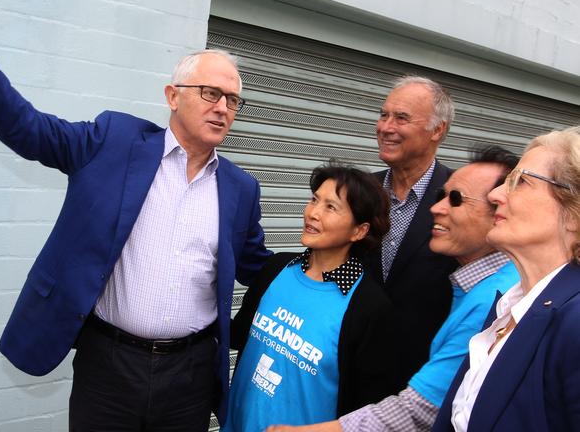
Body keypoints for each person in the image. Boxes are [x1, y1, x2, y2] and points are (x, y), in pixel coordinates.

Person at [0, 0, 271, 431]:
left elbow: (260, 266)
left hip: (190, 376)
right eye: (211, 93)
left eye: (233, 100)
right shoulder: (112, 141)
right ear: (173, 96)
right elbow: (28, 129)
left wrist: (336, 267)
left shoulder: (240, 188)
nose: (223, 108)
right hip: (108, 366)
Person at [264, 146, 521, 432]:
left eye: (456, 199)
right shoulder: (282, 269)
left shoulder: (496, 302)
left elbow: (422, 409)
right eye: (440, 196)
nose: (435, 208)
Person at [223, 162, 399, 431]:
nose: (313, 213)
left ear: (359, 230)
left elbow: (367, 408)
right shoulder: (276, 269)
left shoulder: (369, 307)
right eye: (314, 200)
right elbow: (236, 335)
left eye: (331, 207)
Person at [432, 127, 580, 431]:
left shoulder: (575, 322)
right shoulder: (509, 306)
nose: (495, 194)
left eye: (521, 181)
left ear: (574, 212)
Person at [369, 76, 459, 386]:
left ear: (438, 129)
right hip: (348, 372)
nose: (386, 127)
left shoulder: (458, 199)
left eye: (401, 118)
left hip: (421, 378)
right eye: (384, 115)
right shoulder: (360, 191)